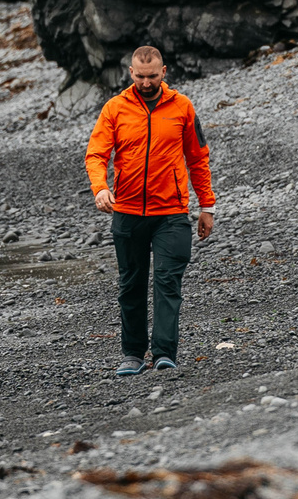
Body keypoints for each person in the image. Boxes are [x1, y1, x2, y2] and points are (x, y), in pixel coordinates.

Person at [82, 44, 215, 376]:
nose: (145, 82)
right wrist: (100, 188)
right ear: (131, 73)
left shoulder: (182, 107)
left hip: (171, 212)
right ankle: (132, 354)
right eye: (140, 76)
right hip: (126, 212)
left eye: (152, 76)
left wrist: (207, 205)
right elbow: (96, 154)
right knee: (131, 283)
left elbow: (198, 158)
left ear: (163, 72)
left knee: (167, 281)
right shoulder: (114, 109)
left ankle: (164, 353)